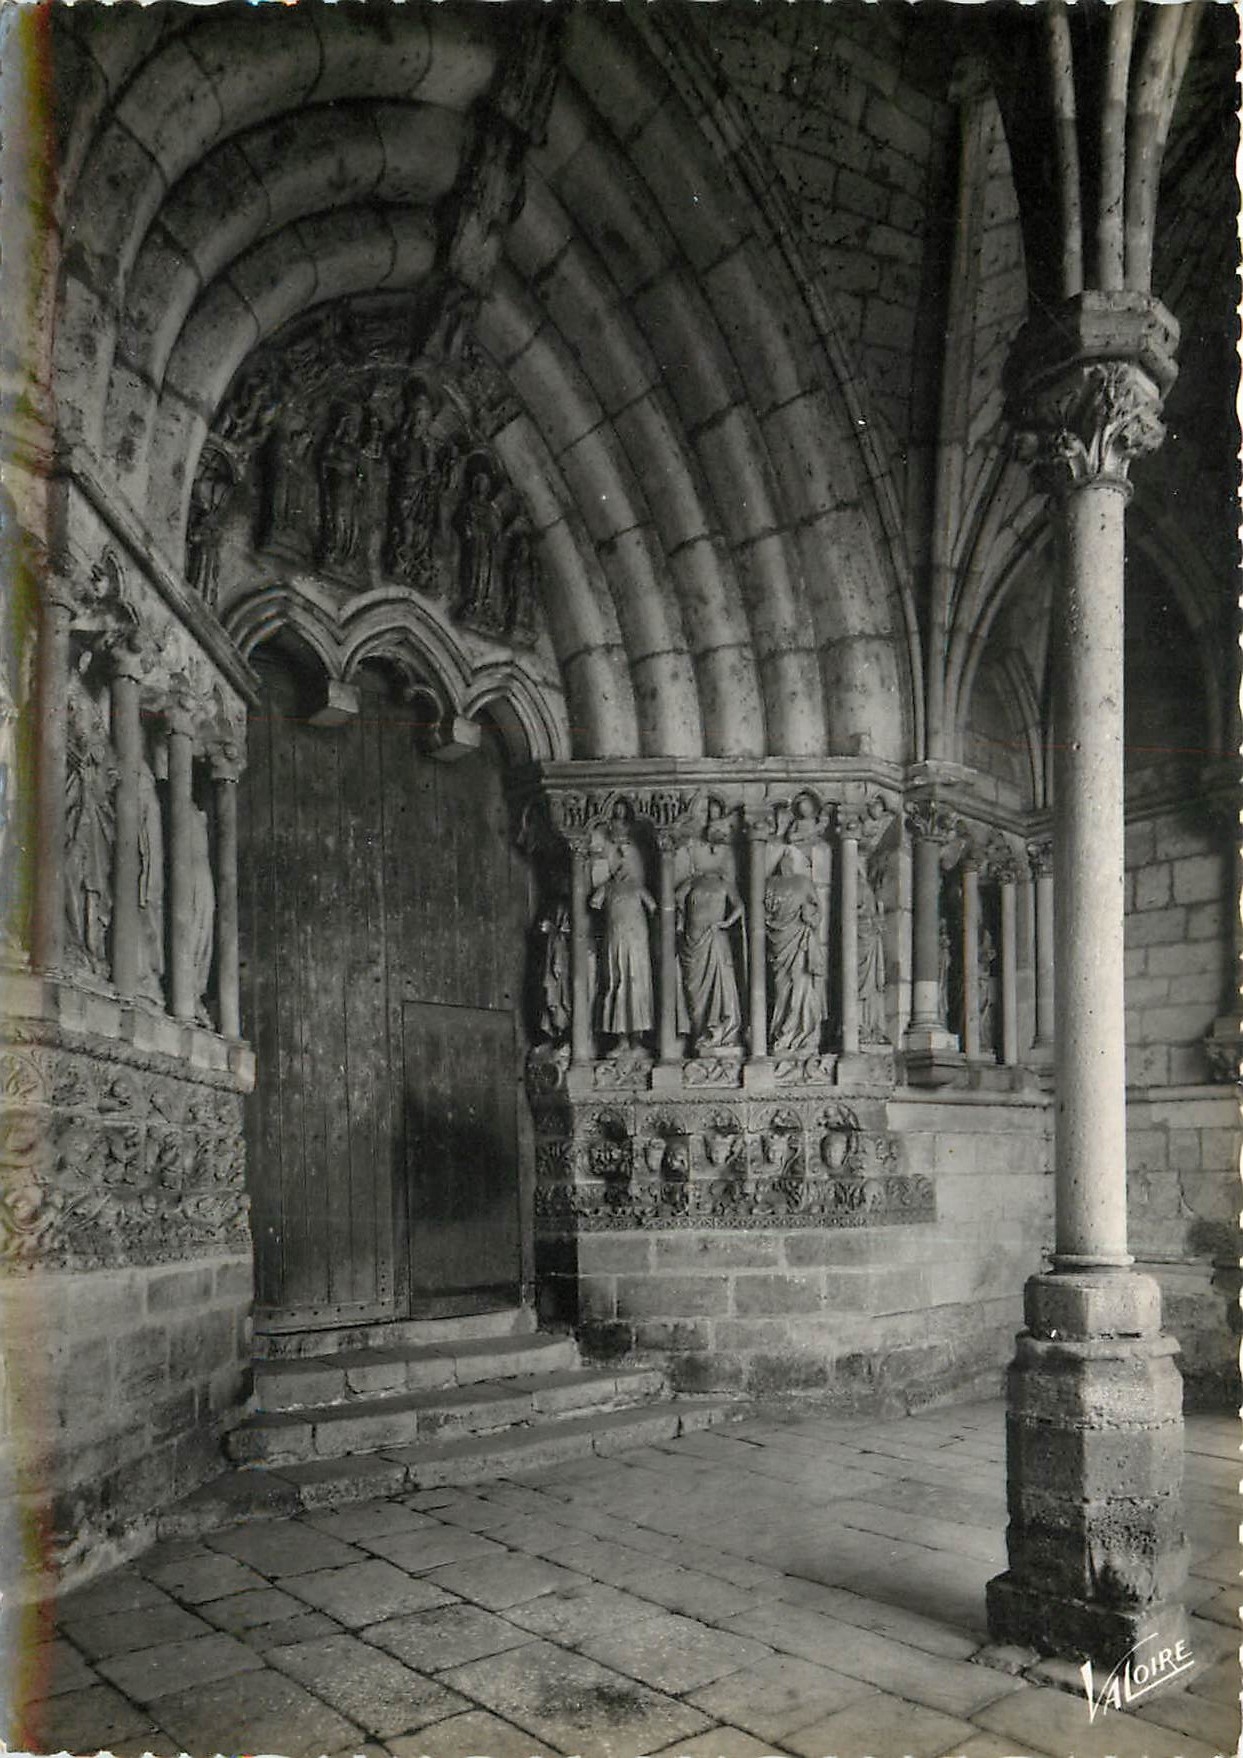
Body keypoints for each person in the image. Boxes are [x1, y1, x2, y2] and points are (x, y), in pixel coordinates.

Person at [591, 803, 656, 1049]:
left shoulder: (637, 887)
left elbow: (655, 908)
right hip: (615, 938)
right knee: (616, 982)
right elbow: (592, 902)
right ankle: (619, 1039)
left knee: (635, 981)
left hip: (637, 940)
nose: (620, 865)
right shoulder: (607, 887)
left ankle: (637, 1039)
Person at [765, 844, 825, 1054]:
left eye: (790, 859)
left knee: (800, 981)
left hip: (799, 939)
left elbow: (818, 909)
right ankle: (782, 1031)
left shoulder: (804, 882)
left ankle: (800, 1032)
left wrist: (810, 917)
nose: (786, 863)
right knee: (781, 988)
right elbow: (763, 913)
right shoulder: (770, 883)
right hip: (778, 942)